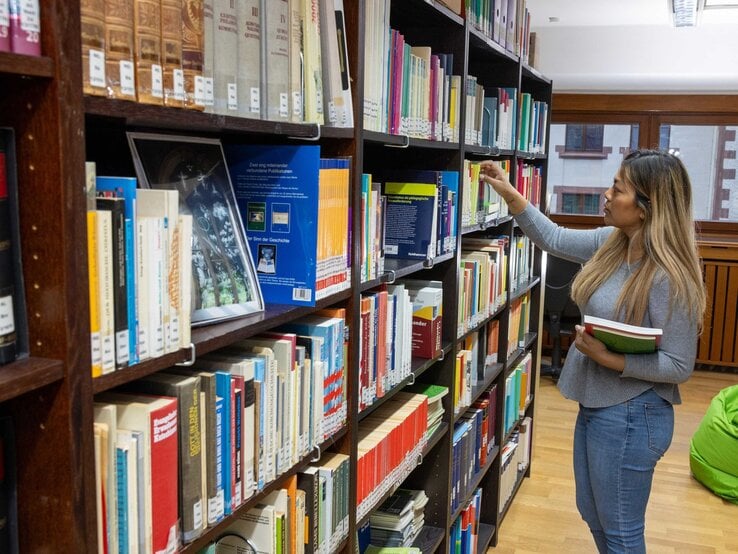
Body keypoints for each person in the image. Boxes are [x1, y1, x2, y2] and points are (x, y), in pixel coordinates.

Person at [480, 149, 706, 554]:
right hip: (600, 406)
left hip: (635, 415)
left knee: (620, 530)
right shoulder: (612, 242)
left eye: (617, 188)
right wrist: (509, 193)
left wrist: (610, 359)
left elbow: (678, 365)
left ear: (645, 207)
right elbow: (553, 237)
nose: (605, 193)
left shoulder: (669, 275)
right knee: (592, 511)